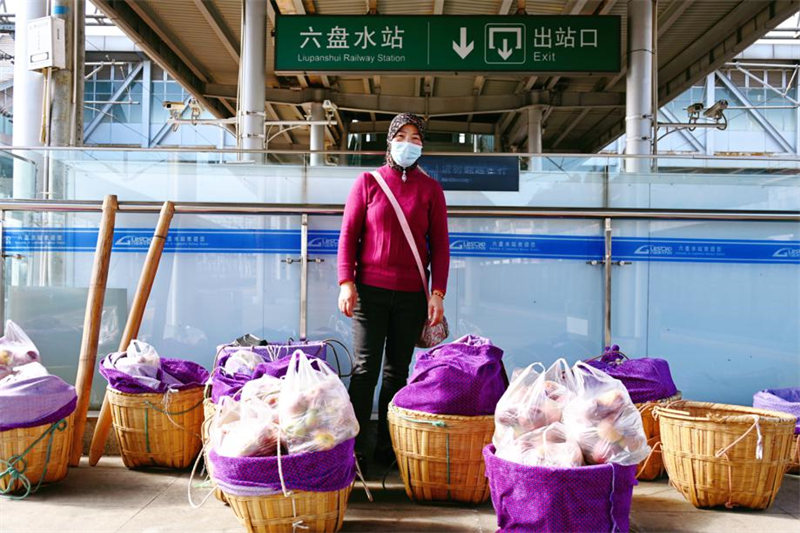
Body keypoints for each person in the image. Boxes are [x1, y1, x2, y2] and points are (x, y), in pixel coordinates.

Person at [337, 112, 450, 468]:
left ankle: (388, 448)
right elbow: (349, 235)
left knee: (397, 372)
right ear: (389, 141)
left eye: (416, 138)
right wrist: (346, 282)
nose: (409, 143)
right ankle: (353, 450)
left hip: (411, 296)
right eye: (402, 135)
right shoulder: (368, 182)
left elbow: (441, 246)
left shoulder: (431, 189)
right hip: (369, 293)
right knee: (365, 370)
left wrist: (438, 293)